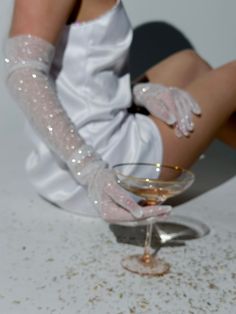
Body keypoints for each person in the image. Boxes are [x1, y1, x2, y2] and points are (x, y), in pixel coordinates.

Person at [4, 0, 236, 223]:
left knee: (189, 63)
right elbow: (23, 74)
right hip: (105, 167)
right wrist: (91, 170)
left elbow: (79, 73)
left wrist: (137, 93)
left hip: (58, 167)